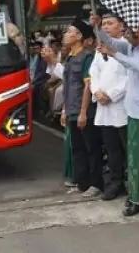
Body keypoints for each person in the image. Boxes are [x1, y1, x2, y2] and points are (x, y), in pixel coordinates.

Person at [94, 15, 139, 217]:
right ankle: (138, 199)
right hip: (134, 111)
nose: (126, 35)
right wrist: (98, 26)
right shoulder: (131, 47)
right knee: (136, 159)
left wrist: (115, 54)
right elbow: (110, 42)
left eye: (130, 32)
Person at [44, 19, 103, 197]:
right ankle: (82, 182)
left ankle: (96, 183)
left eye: (69, 31)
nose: (65, 34)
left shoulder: (87, 57)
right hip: (71, 109)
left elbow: (87, 86)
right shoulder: (70, 57)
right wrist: (64, 109)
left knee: (91, 147)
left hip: (84, 110)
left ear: (79, 36)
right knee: (76, 148)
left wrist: (84, 111)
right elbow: (68, 85)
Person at [88, 10, 129, 201]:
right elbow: (93, 71)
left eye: (110, 23)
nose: (105, 27)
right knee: (111, 148)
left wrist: (112, 95)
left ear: (122, 25)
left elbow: (130, 76)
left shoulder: (127, 47)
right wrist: (96, 91)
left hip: (121, 105)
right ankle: (115, 181)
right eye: (103, 24)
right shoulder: (100, 48)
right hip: (103, 106)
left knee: (126, 147)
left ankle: (131, 181)